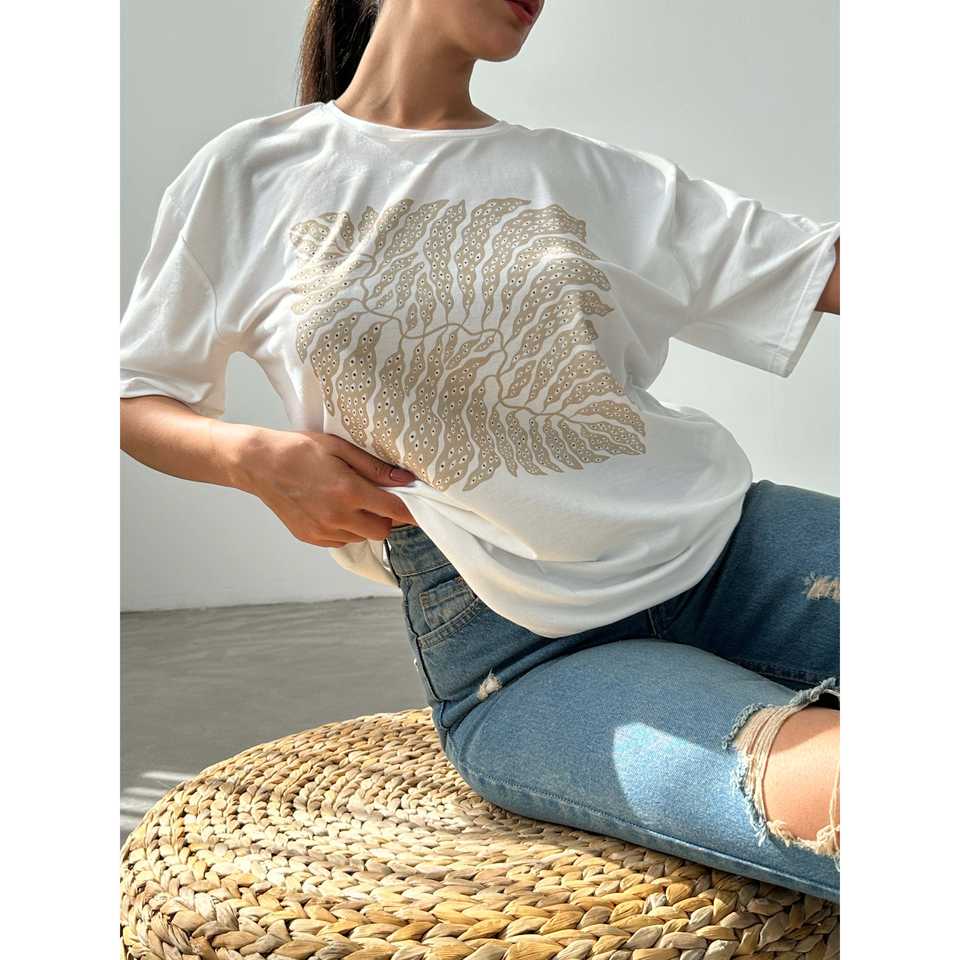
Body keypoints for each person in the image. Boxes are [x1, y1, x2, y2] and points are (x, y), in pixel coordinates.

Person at [119, 0, 841, 901]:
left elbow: (827, 266)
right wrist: (252, 459)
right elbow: (133, 394)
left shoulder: (582, 173)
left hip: (737, 548)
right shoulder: (251, 172)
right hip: (525, 652)